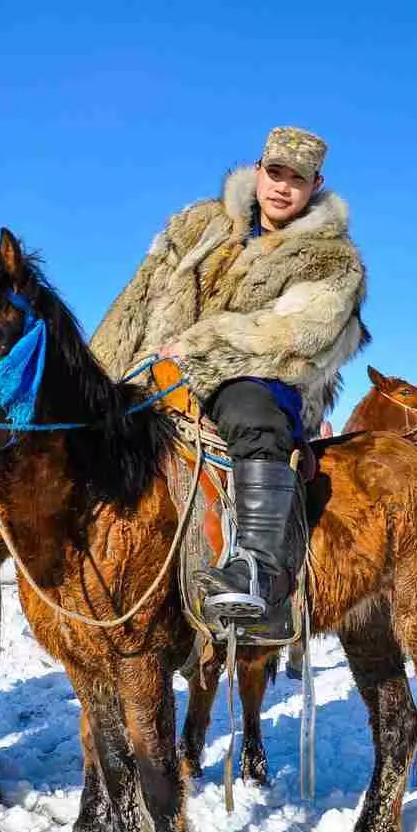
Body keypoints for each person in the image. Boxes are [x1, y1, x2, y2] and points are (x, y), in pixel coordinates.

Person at [91, 126, 368, 639]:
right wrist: (99, 376)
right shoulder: (200, 225)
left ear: (316, 185)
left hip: (268, 377)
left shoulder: (333, 259)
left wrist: (200, 347)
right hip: (162, 377)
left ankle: (261, 572)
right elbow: (135, 303)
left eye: (297, 179)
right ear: (259, 171)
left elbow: (298, 333)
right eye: (275, 173)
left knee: (247, 408)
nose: (282, 187)